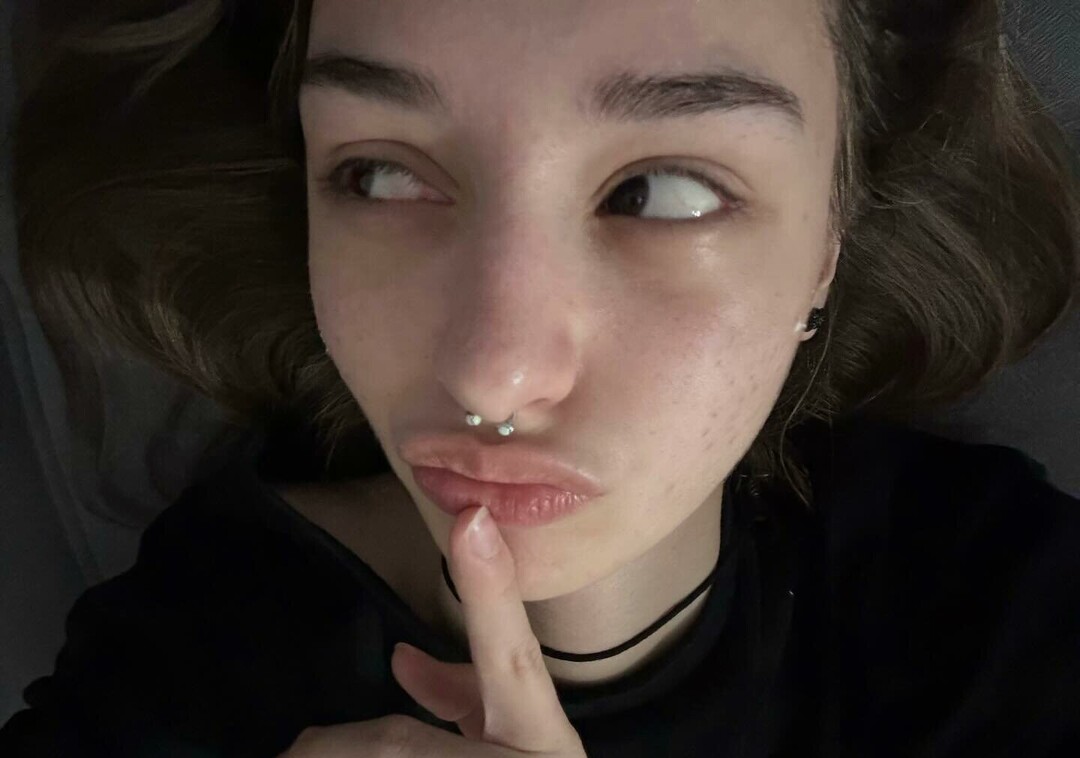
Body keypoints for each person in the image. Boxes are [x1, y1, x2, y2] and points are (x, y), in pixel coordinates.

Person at [3, 0, 1079, 755]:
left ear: (829, 243)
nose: (491, 374)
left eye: (661, 192)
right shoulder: (185, 656)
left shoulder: (995, 609)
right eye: (378, 176)